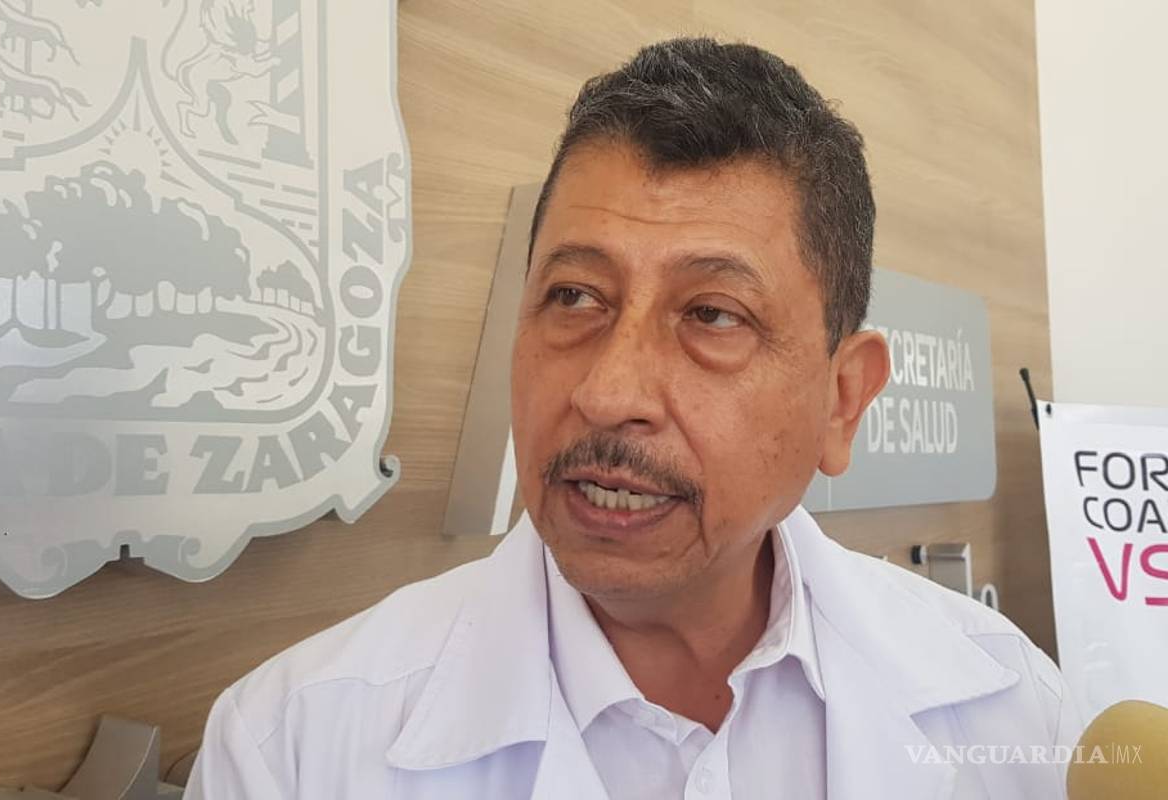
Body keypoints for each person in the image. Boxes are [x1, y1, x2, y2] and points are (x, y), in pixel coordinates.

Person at [184, 37, 1081, 799]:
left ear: (842, 399)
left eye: (712, 315)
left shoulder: (1014, 713)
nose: (609, 394)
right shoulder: (290, 750)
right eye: (575, 296)